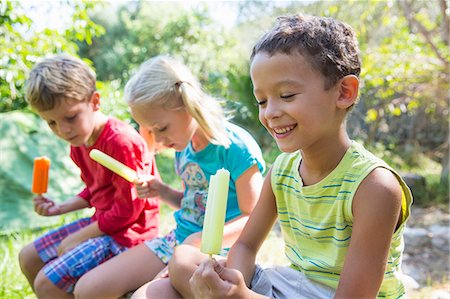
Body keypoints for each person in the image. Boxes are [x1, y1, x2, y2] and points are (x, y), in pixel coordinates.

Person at [187, 14, 413, 299]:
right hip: (294, 286)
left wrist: (240, 297)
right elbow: (244, 247)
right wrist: (234, 281)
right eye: (262, 100)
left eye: (287, 95)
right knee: (183, 265)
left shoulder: (375, 187)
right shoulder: (282, 170)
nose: (270, 113)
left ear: (344, 92)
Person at [72, 55, 265, 299]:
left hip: (217, 251)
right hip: (178, 239)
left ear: (188, 105)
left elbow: (254, 218)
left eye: (161, 128)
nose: (158, 140)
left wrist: (199, 240)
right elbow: (195, 202)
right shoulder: (183, 146)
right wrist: (162, 191)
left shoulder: (235, 147)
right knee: (87, 289)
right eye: (151, 131)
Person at [18, 54, 160, 299]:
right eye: (51, 123)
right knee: (28, 257)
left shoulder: (120, 142)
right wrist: (61, 208)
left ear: (94, 101)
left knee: (47, 283)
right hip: (105, 222)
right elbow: (95, 190)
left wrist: (79, 237)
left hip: (129, 234)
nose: (63, 130)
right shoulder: (79, 141)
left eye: (70, 117)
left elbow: (129, 210)